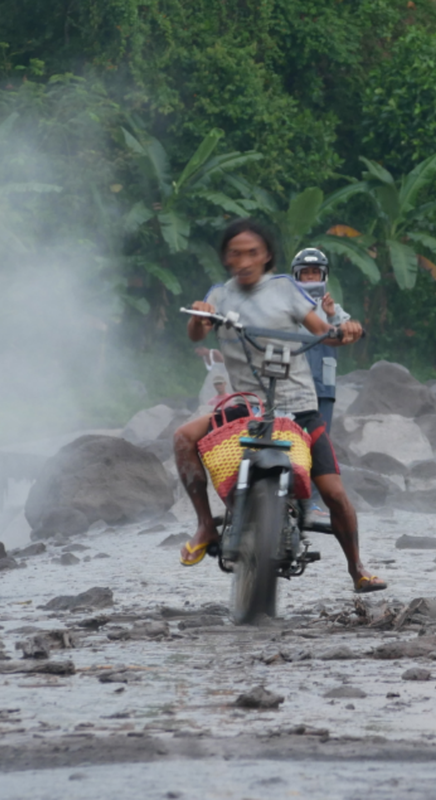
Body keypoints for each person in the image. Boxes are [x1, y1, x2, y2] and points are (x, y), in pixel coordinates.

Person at [174, 218, 386, 594]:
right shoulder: (219, 296)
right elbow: (197, 331)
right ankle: (206, 525)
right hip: (247, 408)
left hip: (300, 409)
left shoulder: (287, 290)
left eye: (252, 252)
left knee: (334, 492)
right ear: (226, 258)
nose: (244, 260)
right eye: (236, 253)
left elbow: (324, 331)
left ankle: (357, 569)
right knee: (183, 437)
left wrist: (345, 331)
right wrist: (198, 315)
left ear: (267, 256)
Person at [290, 247, 350, 427]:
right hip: (292, 382)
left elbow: (346, 333)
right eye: (305, 272)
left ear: (323, 276)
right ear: (296, 276)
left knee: (321, 435)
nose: (310, 277)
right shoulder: (286, 306)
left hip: (324, 383)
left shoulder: (333, 308)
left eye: (315, 272)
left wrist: (331, 315)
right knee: (290, 434)